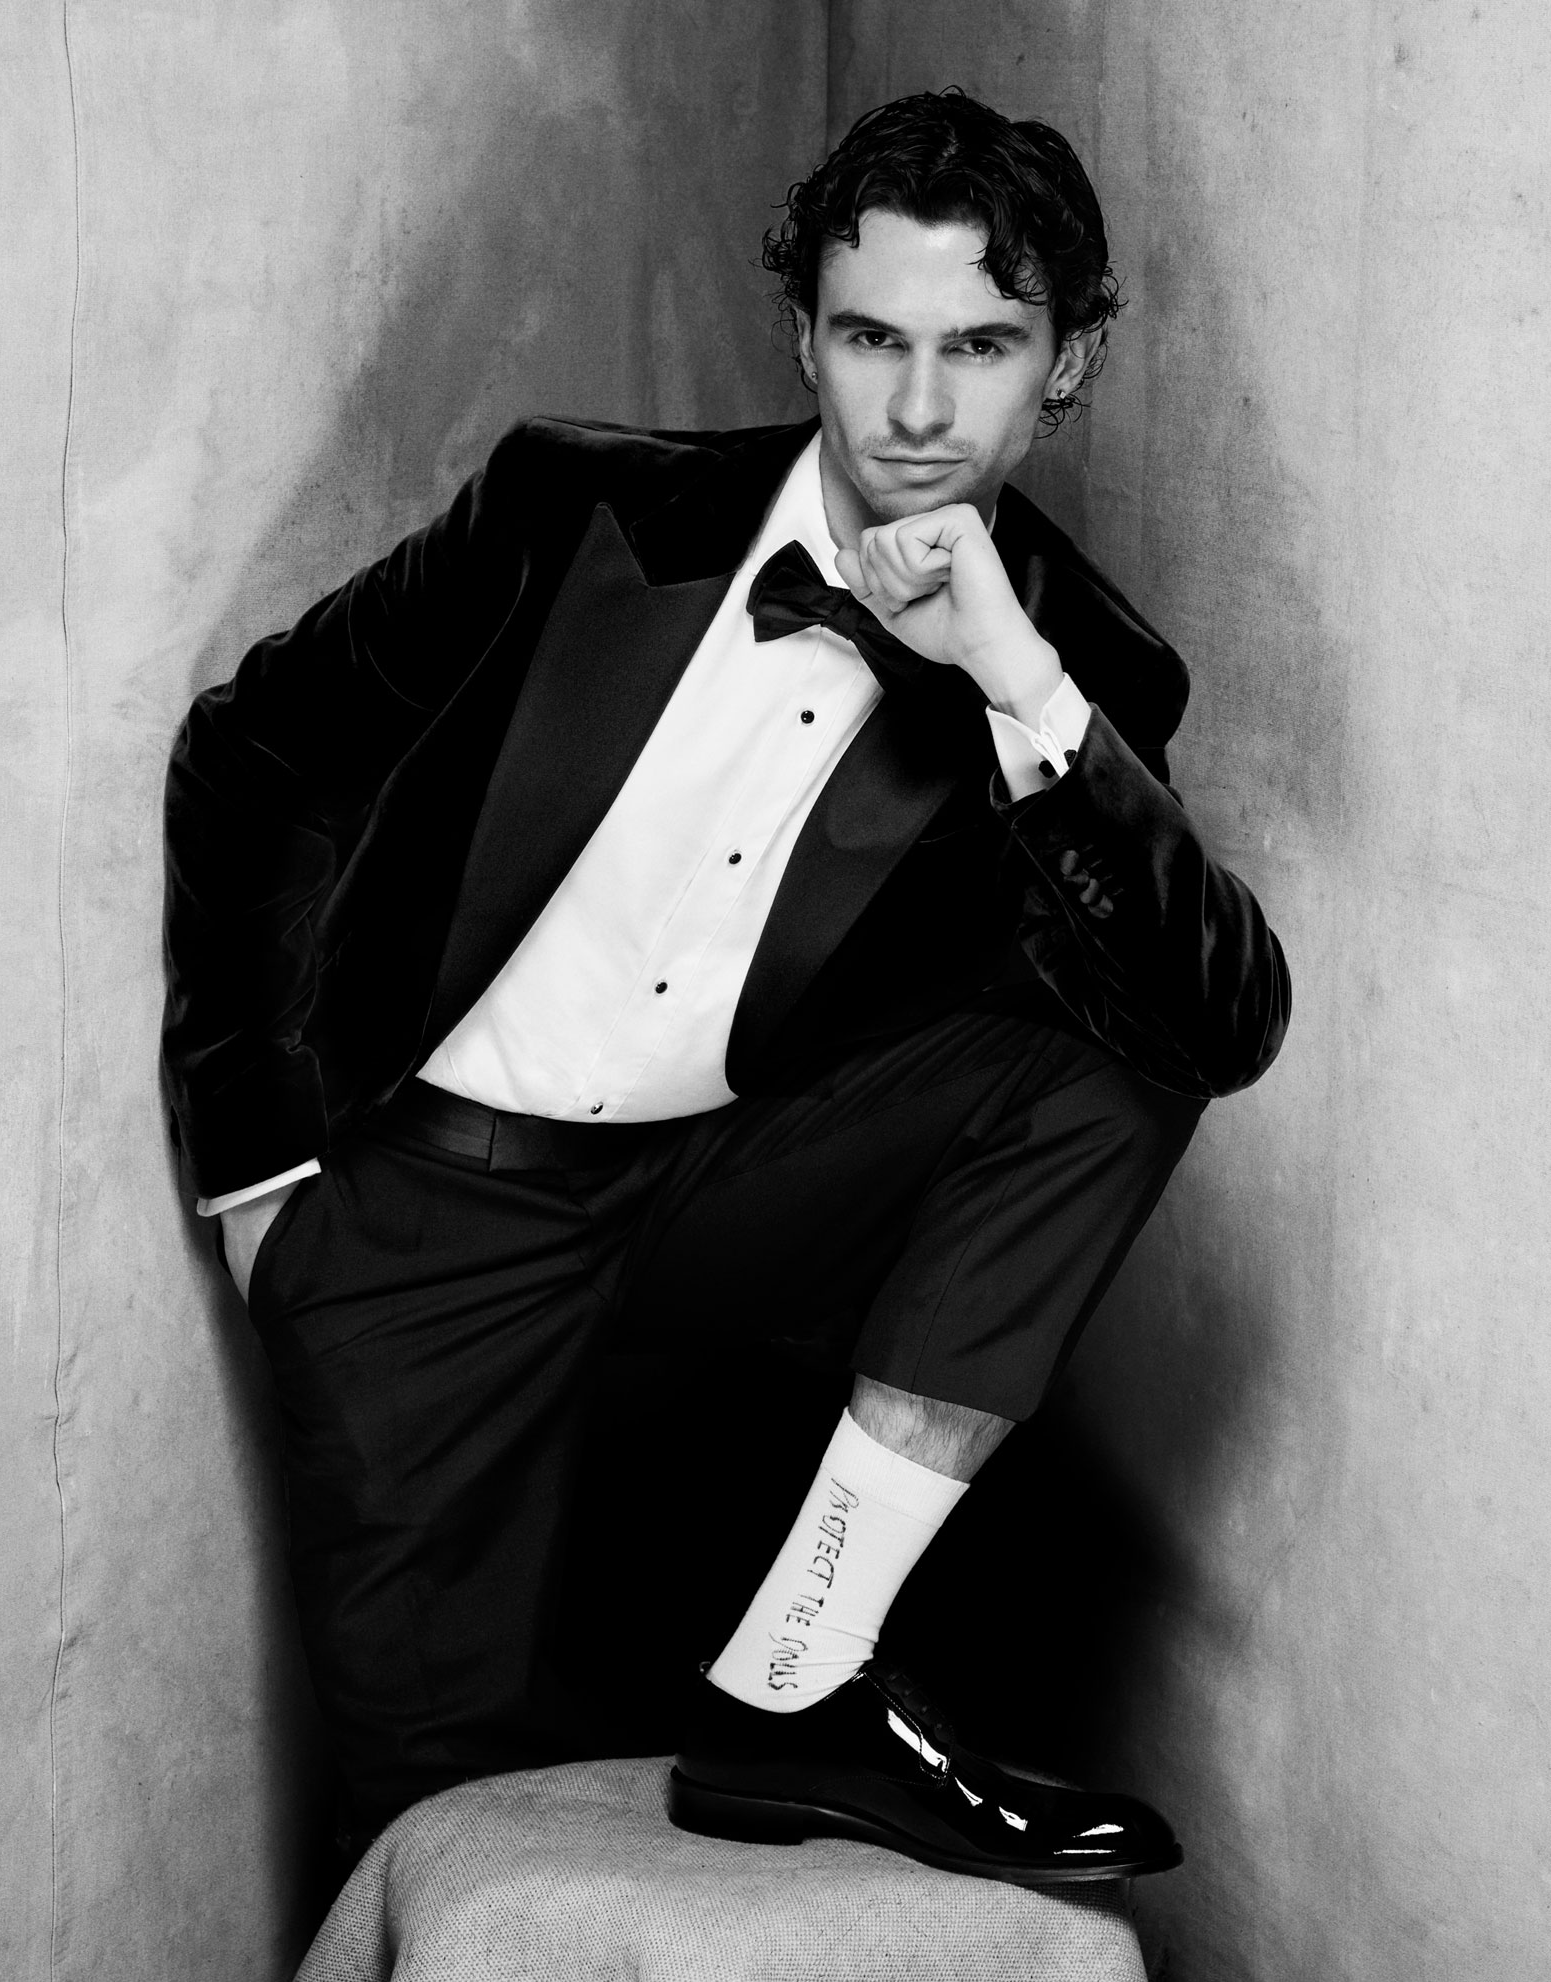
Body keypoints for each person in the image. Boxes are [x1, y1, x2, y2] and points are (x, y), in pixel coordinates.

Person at [163, 88, 1289, 1887]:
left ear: (1068, 364)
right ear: (804, 336)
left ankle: (800, 1672)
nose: (917, 410)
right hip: (433, 1212)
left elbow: (1221, 1019)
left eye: (982, 347)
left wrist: (1013, 679)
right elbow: (257, 755)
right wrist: (257, 1168)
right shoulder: (577, 507)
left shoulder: (1076, 669)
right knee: (449, 1823)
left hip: (732, 1200)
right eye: (872, 338)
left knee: (1120, 1057)